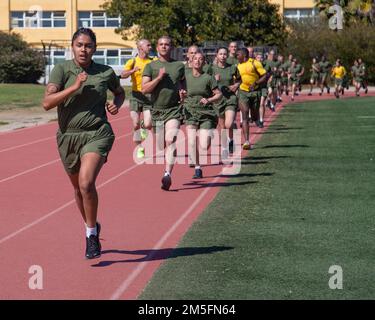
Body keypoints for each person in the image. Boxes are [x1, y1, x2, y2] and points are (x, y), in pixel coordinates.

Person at [42, 28, 125, 259]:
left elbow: (119, 92)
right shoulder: (61, 70)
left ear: (95, 48)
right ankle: (93, 224)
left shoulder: (105, 72)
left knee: (87, 183)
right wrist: (73, 87)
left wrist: (116, 104)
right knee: (78, 189)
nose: (84, 49)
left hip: (97, 133)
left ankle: (90, 236)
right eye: (79, 45)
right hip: (68, 136)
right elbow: (47, 103)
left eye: (88, 45)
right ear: (72, 46)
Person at [142, 36, 185, 191]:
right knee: (161, 144)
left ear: (171, 47)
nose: (164, 47)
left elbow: (183, 82)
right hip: (156, 110)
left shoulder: (179, 65)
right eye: (161, 44)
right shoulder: (150, 66)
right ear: (157, 47)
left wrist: (183, 90)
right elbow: (144, 89)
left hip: (173, 109)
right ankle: (146, 124)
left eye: (167, 44)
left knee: (170, 139)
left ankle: (167, 174)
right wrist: (159, 78)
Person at [183, 52, 222, 178]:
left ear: (204, 62)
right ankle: (198, 168)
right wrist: (181, 95)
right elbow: (179, 90)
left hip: (206, 113)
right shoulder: (185, 76)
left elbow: (218, 94)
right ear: (191, 61)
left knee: (204, 145)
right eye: (195, 59)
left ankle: (208, 133)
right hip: (190, 111)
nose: (198, 61)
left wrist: (209, 100)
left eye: (201, 59)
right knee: (192, 141)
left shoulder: (208, 77)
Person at [121, 39, 154, 159]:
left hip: (149, 97)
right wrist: (132, 71)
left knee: (148, 124)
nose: (150, 47)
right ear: (140, 47)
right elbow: (123, 74)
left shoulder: (153, 61)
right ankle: (140, 147)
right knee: (135, 124)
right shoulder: (133, 61)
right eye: (148, 45)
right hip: (135, 96)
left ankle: (144, 126)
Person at [209, 47, 240, 159]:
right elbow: (207, 82)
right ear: (216, 55)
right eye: (220, 54)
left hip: (230, 98)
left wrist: (235, 85)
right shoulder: (211, 69)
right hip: (218, 100)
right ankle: (225, 148)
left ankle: (230, 139)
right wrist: (214, 80)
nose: (223, 56)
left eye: (224, 54)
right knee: (222, 126)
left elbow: (239, 80)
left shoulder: (232, 68)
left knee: (229, 124)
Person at [236, 47, 267, 150]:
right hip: (243, 91)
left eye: (238, 54)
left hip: (255, 92)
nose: (237, 56)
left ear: (244, 55)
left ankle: (256, 118)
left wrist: (256, 83)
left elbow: (264, 75)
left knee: (254, 115)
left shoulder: (255, 63)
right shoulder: (237, 66)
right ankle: (247, 141)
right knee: (244, 114)